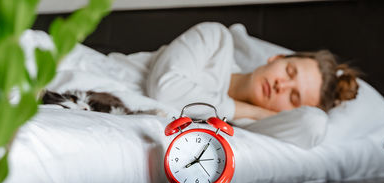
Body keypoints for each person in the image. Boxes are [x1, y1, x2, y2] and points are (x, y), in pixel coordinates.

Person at [146, 22, 359, 122]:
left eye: (293, 97)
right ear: (276, 58)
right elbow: (164, 91)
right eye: (289, 72)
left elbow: (310, 128)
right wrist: (256, 111)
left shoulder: (248, 126)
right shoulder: (216, 40)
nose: (281, 85)